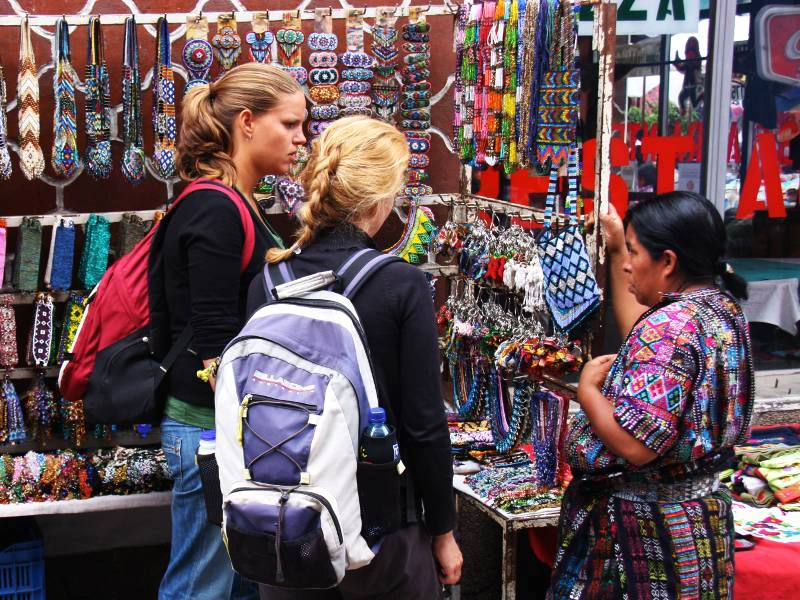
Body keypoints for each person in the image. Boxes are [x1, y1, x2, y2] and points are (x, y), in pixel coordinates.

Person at [247, 116, 463, 599]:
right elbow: (424, 424)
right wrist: (444, 531)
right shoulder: (402, 284)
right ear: (381, 196)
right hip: (382, 525)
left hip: (289, 522)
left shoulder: (269, 282)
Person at [549, 191, 753, 599]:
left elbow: (636, 445)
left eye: (636, 252)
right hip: (699, 526)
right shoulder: (720, 309)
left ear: (669, 261)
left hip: (642, 534)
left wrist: (588, 392)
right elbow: (652, 343)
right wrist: (617, 244)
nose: (627, 264)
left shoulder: (670, 327)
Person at [159, 63, 306, 600]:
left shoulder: (234, 201)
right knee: (201, 588)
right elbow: (215, 336)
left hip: (223, 426)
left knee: (233, 587)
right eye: (289, 124)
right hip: (210, 428)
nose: (300, 137)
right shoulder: (215, 207)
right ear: (247, 122)